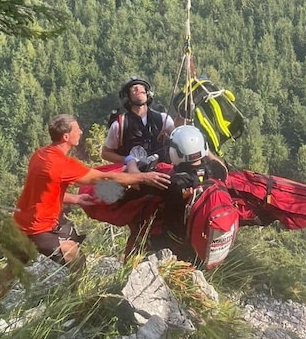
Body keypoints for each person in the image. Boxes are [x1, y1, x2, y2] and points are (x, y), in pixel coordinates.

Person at [13, 113, 170, 271]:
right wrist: (144, 177)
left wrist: (77, 198)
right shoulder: (61, 164)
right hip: (40, 230)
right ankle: (78, 295)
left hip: (21, 222)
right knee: (78, 262)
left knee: (15, 266)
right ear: (66, 136)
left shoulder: (40, 154)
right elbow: (106, 179)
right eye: (77, 129)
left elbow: (41, 193)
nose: (81, 131)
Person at [146, 124, 229, 260]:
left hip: (175, 244)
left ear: (175, 153)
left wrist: (131, 163)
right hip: (201, 245)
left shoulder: (173, 183)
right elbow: (222, 168)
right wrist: (202, 149)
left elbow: (140, 185)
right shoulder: (215, 172)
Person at [101, 76, 175, 167]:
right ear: (127, 96)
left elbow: (177, 135)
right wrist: (127, 160)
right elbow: (105, 153)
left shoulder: (163, 118)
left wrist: (183, 113)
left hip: (161, 172)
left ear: (148, 94)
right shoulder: (120, 124)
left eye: (142, 88)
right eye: (134, 89)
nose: (138, 89)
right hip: (133, 175)